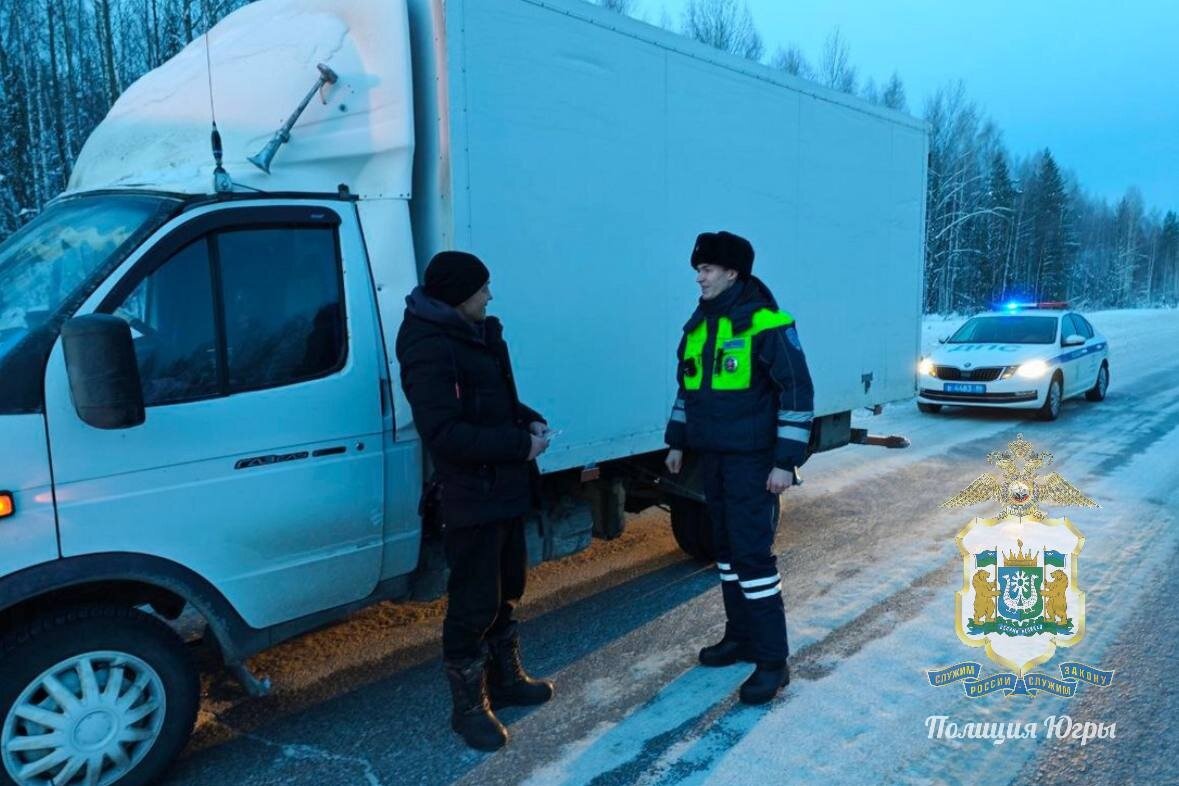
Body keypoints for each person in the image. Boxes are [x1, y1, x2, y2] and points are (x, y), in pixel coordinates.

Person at [395, 251, 554, 751]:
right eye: (483, 288)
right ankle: (469, 710)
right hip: (471, 496)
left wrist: (527, 418)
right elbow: (443, 433)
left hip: (504, 488)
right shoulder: (427, 346)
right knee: (472, 604)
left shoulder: (482, 331)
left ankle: (505, 682)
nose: (490, 296)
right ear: (460, 295)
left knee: (508, 587)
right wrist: (518, 446)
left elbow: (497, 402)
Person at [664, 231, 814, 705]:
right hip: (714, 458)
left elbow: (796, 391)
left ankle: (773, 660)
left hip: (753, 462)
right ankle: (740, 637)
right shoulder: (698, 326)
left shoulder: (768, 322)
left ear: (732, 273)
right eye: (698, 270)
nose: (699, 277)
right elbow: (688, 388)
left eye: (707, 269)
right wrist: (676, 441)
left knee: (752, 557)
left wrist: (785, 462)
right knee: (726, 553)